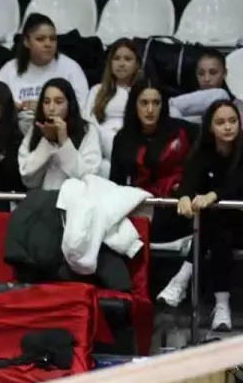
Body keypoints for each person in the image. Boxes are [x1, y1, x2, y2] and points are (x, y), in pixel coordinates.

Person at [157, 99, 243, 332]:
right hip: (219, 229)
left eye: (233, 121)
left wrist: (213, 195)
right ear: (210, 127)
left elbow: (237, 184)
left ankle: (182, 277)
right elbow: (189, 179)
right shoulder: (203, 152)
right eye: (221, 122)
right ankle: (222, 305)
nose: (228, 127)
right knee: (217, 227)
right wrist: (184, 196)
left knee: (214, 217)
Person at [0, 13, 89, 134]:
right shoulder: (9, 70)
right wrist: (10, 107)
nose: (48, 44)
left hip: (61, 134)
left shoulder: (71, 68)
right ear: (26, 42)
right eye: (40, 39)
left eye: (52, 39)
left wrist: (42, 108)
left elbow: (83, 110)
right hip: (15, 135)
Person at [17, 78, 101, 191]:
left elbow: (88, 176)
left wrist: (64, 140)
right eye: (46, 102)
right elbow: (27, 177)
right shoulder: (35, 129)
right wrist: (47, 141)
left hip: (75, 202)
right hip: (41, 202)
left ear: (69, 104)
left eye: (58, 102)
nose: (51, 108)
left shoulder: (87, 130)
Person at [84, 39, 140, 175]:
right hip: (100, 141)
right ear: (110, 63)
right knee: (103, 166)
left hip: (130, 141)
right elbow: (87, 119)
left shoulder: (141, 92)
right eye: (116, 59)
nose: (121, 64)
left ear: (137, 64)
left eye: (127, 59)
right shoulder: (97, 90)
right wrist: (102, 137)